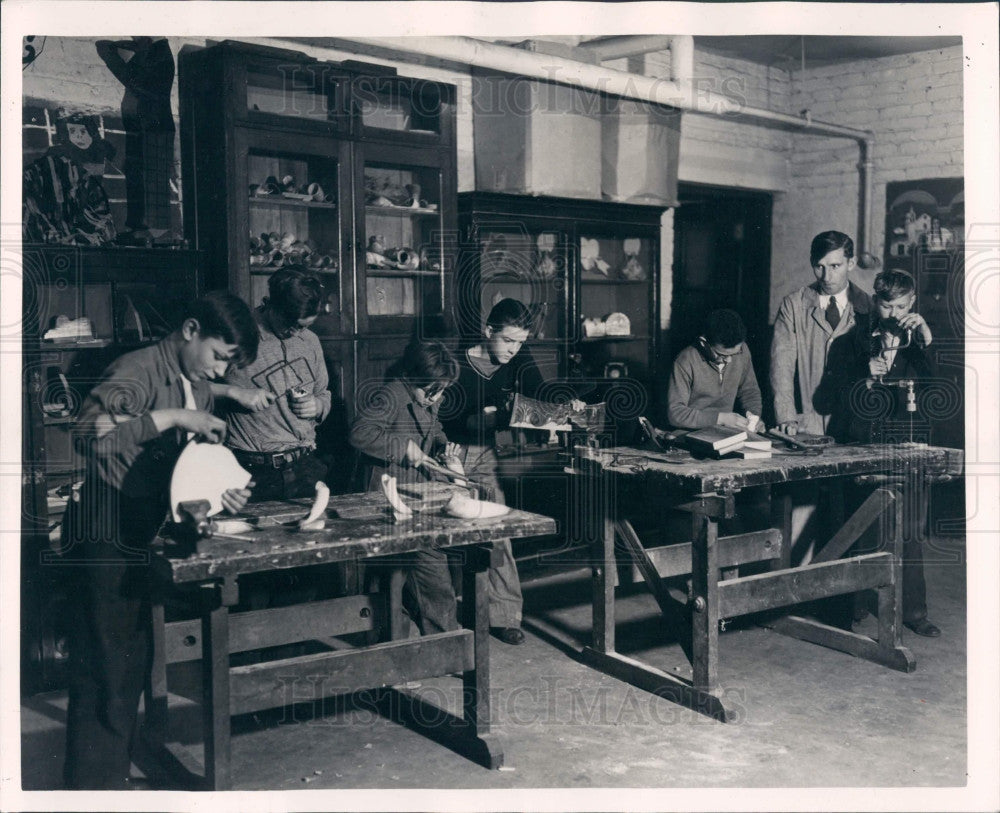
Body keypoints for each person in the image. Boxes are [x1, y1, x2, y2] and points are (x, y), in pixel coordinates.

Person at [60, 291, 259, 790]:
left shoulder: (198, 383)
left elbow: (182, 473)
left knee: (132, 662)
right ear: (190, 329)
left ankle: (113, 775)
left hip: (149, 526)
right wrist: (171, 418)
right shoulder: (139, 368)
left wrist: (217, 495)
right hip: (106, 523)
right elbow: (89, 432)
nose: (219, 372)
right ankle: (92, 791)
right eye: (218, 355)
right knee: (106, 666)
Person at [441, 298, 583, 645]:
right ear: (488, 331)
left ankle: (503, 615)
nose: (514, 349)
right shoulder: (457, 363)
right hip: (449, 453)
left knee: (498, 529)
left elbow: (539, 391)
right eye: (507, 340)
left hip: (486, 452)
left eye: (520, 342)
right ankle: (445, 620)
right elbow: (451, 419)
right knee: (446, 534)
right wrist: (497, 416)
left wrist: (565, 404)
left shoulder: (517, 354)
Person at [839, 269, 939, 637]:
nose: (894, 313)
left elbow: (937, 388)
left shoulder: (918, 339)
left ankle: (914, 611)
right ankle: (859, 607)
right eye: (886, 305)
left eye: (901, 306)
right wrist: (863, 374)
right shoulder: (854, 339)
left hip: (908, 442)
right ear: (875, 301)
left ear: (911, 303)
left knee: (911, 528)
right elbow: (834, 394)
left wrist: (926, 340)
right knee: (865, 525)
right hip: (866, 441)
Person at [349, 340, 465, 635]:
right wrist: (405, 448)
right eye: (431, 392)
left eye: (442, 391)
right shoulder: (391, 395)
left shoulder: (429, 392)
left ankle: (444, 645)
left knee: (435, 578)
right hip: (386, 499)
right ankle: (391, 652)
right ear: (413, 377)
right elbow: (360, 433)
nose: (436, 398)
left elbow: (433, 427)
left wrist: (443, 447)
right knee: (389, 583)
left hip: (419, 498)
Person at [215, 266, 332, 501]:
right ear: (272, 306)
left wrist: (318, 406)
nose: (298, 333)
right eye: (294, 325)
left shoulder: (310, 341)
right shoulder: (236, 334)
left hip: (304, 466)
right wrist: (233, 392)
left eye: (306, 326)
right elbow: (184, 388)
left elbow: (324, 392)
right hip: (250, 471)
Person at [770, 230, 873, 437]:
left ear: (850, 264)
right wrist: (786, 416)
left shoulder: (869, 307)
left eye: (835, 266)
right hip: (807, 425)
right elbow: (782, 366)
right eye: (819, 267)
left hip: (853, 424)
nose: (827, 277)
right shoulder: (794, 305)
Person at [667, 308, 763, 430]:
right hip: (690, 432)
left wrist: (754, 418)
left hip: (724, 432)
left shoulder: (743, 351)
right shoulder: (685, 360)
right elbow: (675, 413)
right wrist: (720, 419)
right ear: (704, 342)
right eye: (722, 355)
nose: (729, 361)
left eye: (734, 354)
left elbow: (749, 392)